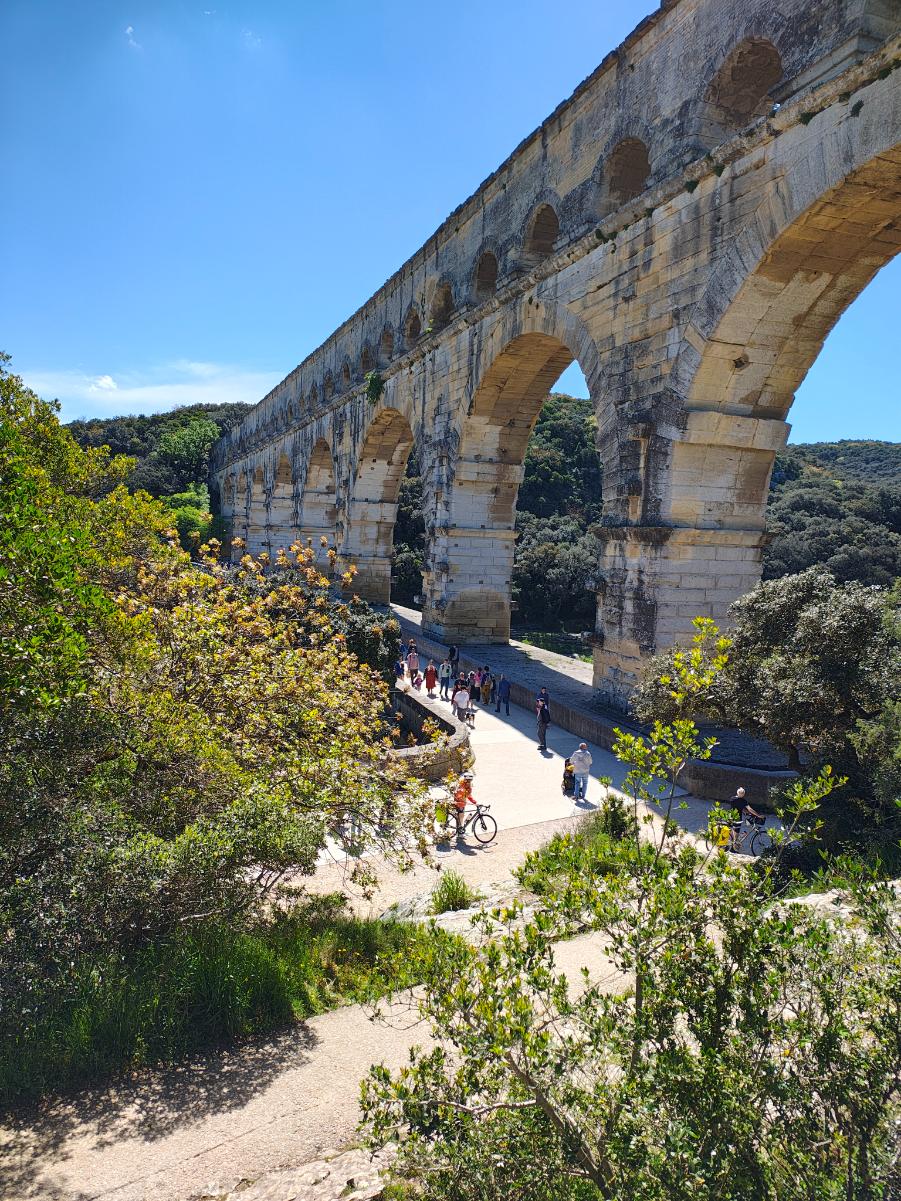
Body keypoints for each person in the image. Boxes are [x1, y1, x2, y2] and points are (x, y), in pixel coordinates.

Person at [727, 786, 764, 851]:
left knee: (732, 832)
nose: (742, 794)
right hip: (737, 818)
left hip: (730, 816)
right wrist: (758, 815)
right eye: (742, 793)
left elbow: (739, 807)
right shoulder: (743, 801)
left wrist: (745, 812)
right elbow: (750, 809)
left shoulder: (732, 798)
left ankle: (732, 845)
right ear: (743, 794)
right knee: (736, 834)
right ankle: (733, 847)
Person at [453, 771, 475, 836]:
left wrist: (474, 802)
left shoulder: (466, 786)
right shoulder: (461, 786)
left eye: (470, 781)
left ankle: (459, 830)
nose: (469, 782)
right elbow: (459, 794)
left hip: (461, 803)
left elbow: (469, 795)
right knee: (461, 816)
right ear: (466, 780)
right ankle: (459, 831)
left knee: (460, 817)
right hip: (459, 803)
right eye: (469, 781)